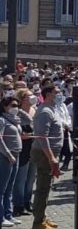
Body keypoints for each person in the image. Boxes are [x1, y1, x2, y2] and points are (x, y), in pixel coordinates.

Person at [30, 82, 64, 229]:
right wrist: (51, 157)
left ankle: (42, 216)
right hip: (44, 154)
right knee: (43, 188)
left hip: (50, 153)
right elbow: (42, 137)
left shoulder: (52, 109)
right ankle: (38, 222)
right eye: (57, 92)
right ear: (49, 94)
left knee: (46, 186)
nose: (60, 94)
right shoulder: (44, 112)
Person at [12, 87, 35, 219]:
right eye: (28, 96)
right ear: (22, 99)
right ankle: (18, 205)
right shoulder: (17, 113)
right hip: (23, 148)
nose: (32, 97)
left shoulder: (34, 110)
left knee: (31, 178)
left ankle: (27, 202)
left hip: (34, 148)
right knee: (21, 178)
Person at [0, 95, 22, 227]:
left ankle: (8, 214)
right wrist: (8, 154)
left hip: (16, 154)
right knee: (2, 188)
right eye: (13, 106)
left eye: (17, 106)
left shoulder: (14, 120)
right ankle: (1, 217)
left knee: (10, 187)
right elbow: (0, 139)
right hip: (5, 156)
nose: (16, 108)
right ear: (5, 107)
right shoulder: (2, 120)